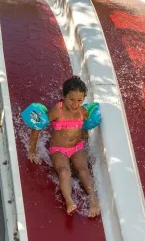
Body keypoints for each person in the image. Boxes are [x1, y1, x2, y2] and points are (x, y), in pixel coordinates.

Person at [28, 76, 101, 218]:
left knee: (83, 170)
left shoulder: (82, 111)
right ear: (64, 96)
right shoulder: (57, 111)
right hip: (59, 150)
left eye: (80, 100)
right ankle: (69, 201)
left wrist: (84, 133)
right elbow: (38, 126)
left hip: (76, 147)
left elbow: (84, 124)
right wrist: (32, 150)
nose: (75, 104)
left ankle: (93, 199)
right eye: (71, 99)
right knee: (64, 171)